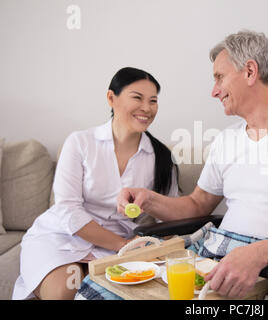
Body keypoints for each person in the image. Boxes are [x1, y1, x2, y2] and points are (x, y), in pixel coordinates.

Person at [118, 30, 268, 300]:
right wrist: (148, 200)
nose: (214, 91)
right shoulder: (226, 139)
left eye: (219, 77)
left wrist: (256, 255)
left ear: (250, 71)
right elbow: (196, 205)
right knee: (105, 290)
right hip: (217, 252)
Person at [12, 67, 179, 300]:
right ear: (111, 98)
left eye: (153, 101)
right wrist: (123, 245)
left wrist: (158, 250)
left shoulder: (161, 158)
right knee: (63, 292)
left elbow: (170, 218)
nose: (147, 108)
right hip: (64, 237)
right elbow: (68, 210)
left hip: (120, 249)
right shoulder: (80, 143)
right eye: (137, 98)